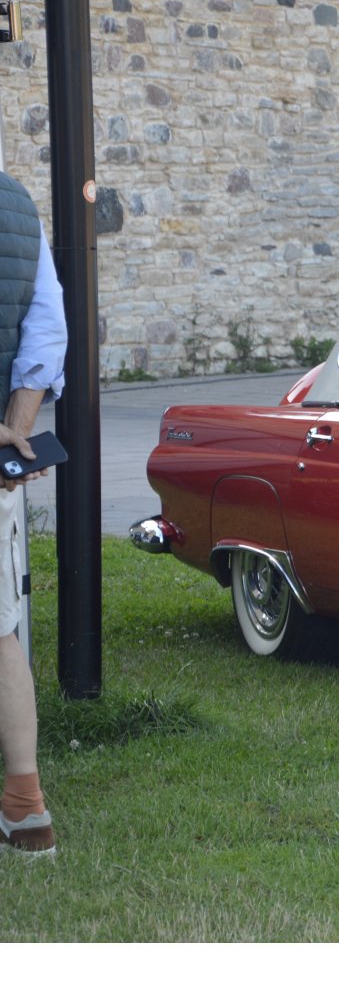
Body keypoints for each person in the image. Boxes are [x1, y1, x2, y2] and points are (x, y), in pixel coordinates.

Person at [0, 171, 68, 856]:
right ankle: (26, 810)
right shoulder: (17, 205)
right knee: (0, 636)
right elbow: (46, 329)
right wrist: (13, 438)